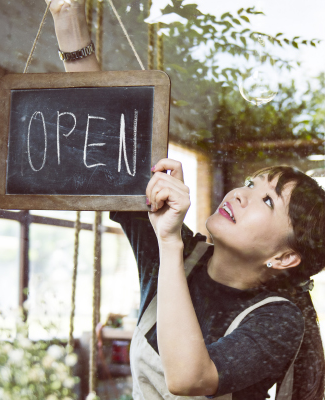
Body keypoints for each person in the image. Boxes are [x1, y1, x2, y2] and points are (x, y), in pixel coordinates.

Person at [46, 1, 325, 399]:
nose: (242, 194)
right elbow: (105, 139)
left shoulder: (280, 318)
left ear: (283, 258)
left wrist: (170, 242)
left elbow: (190, 379)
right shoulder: (176, 249)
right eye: (250, 183)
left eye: (267, 201)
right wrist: (66, 16)